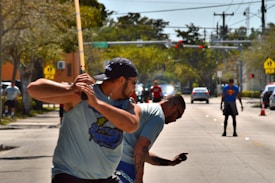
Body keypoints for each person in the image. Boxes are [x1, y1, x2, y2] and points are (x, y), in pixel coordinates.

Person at [27, 57, 141, 183]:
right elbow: (33, 89)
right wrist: (69, 89)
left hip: (106, 178)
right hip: (70, 177)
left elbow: (131, 125)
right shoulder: (80, 94)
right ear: (121, 80)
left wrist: (97, 104)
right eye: (133, 82)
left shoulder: (128, 105)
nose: (134, 88)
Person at [115, 94, 187, 183]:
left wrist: (170, 162)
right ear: (173, 106)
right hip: (125, 165)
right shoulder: (158, 117)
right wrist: (139, 179)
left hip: (113, 161)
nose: (175, 119)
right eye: (178, 115)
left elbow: (144, 154)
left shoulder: (148, 108)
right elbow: (141, 148)